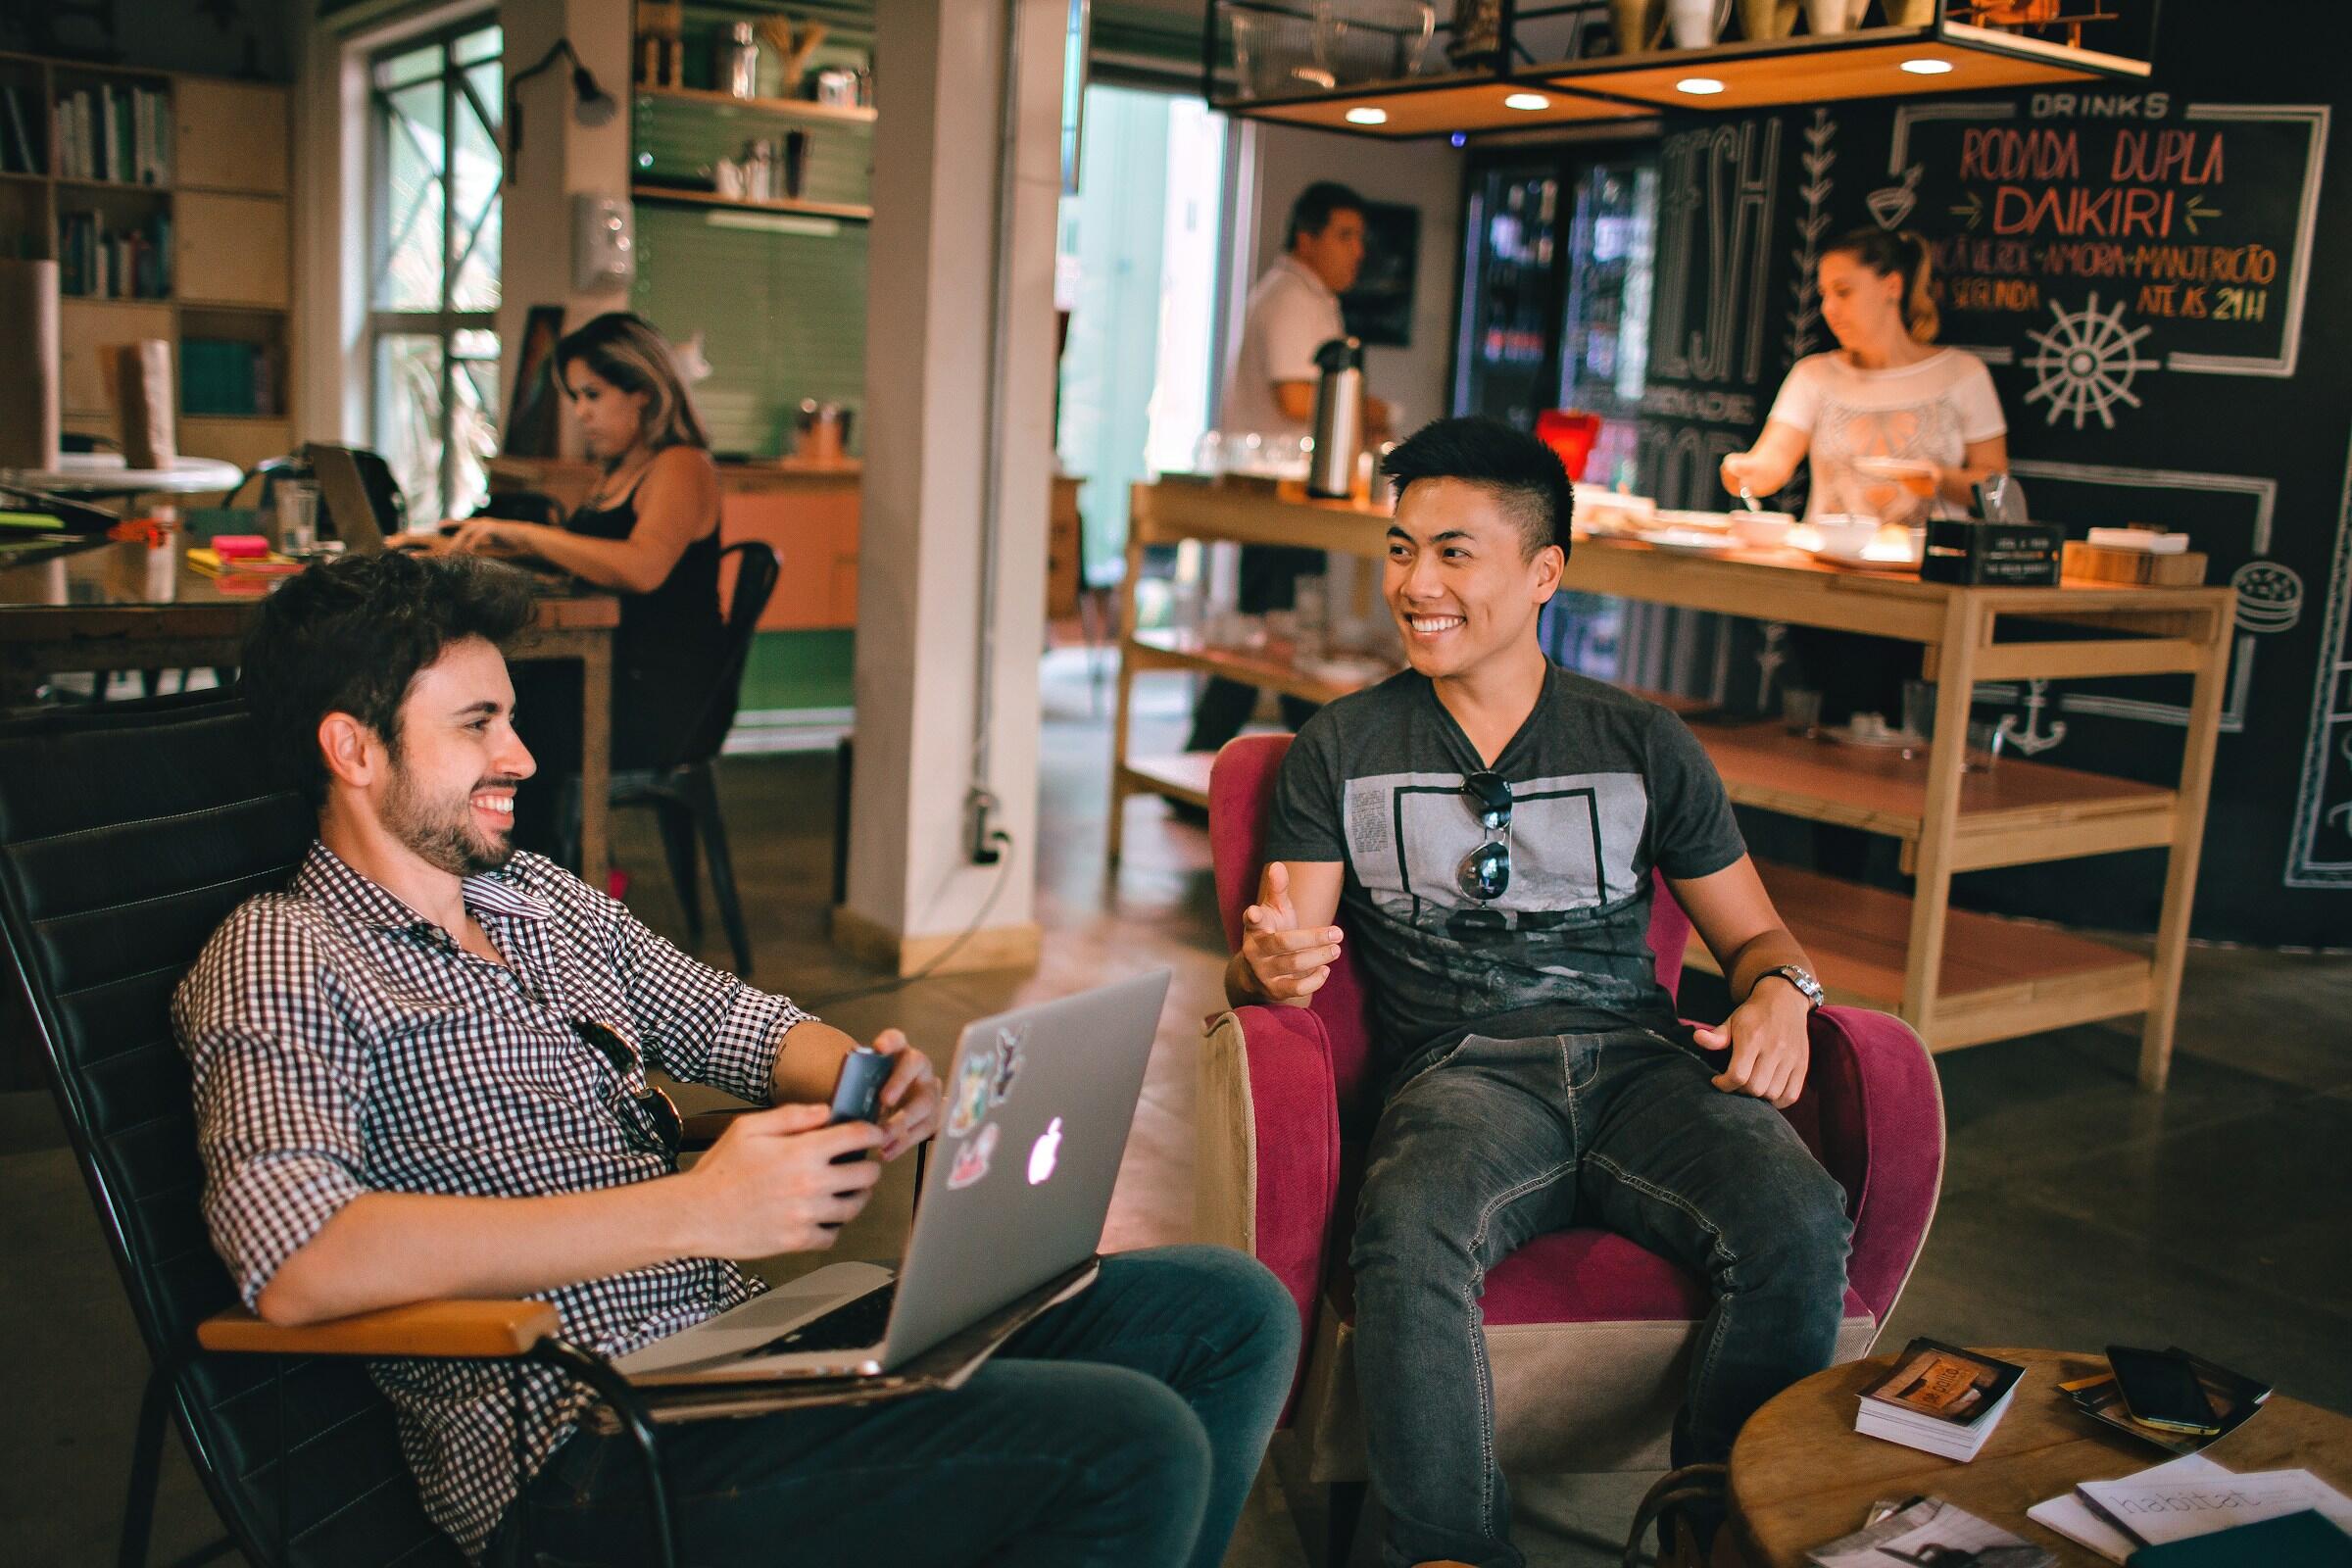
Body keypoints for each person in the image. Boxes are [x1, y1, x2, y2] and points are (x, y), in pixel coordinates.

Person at [174, 550, 1299, 1566]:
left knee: (1228, 1310)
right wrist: (696, 1214)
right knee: (1127, 1445)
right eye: (477, 724)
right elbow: (298, 1258)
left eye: (509, 716)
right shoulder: (284, 951)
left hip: (740, 1359)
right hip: (584, 1448)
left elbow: (741, 1024)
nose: (520, 752)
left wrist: (866, 1079)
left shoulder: (535, 900)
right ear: (353, 747)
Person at [1229, 417, 1851, 1568]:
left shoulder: (1643, 741)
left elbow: (1758, 934)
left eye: (1454, 553)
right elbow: (1282, 946)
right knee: (1409, 1225)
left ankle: (1716, 1535)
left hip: (1644, 1065)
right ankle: (1448, 1552)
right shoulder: (1342, 746)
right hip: (1462, 1074)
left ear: (1544, 572)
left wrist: (1784, 993)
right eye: (1401, 549)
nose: (1416, 586)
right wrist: (1262, 969)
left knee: (1798, 1216)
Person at [414, 312, 730, 855]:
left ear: (644, 395)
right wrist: (479, 543)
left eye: (592, 395)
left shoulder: (682, 466)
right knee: (488, 702)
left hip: (658, 695)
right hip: (613, 670)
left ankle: (527, 885)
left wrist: (525, 535)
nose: (580, 413)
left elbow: (641, 566)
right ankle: (490, 871)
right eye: (575, 396)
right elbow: (588, 562)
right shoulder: (620, 469)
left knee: (503, 719)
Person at [1186, 181, 1393, 758]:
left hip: (1295, 496)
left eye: (1360, 239)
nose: (1357, 251)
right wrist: (1372, 410)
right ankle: (1237, 761)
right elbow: (1298, 399)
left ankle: (1279, 761)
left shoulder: (1308, 297)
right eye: (1345, 235)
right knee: (1277, 638)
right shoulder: (1291, 298)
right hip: (1280, 496)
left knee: (1279, 634)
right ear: (1307, 238)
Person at [1720, 227, 2008, 527]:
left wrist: (1940, 479)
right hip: (1827, 562)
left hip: (1925, 565)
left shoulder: (1963, 374)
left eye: (1843, 292)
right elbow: (1773, 460)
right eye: (1824, 295)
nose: (1829, 309)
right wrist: (1747, 471)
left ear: (1892, 286)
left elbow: (1995, 486)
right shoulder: (1813, 375)